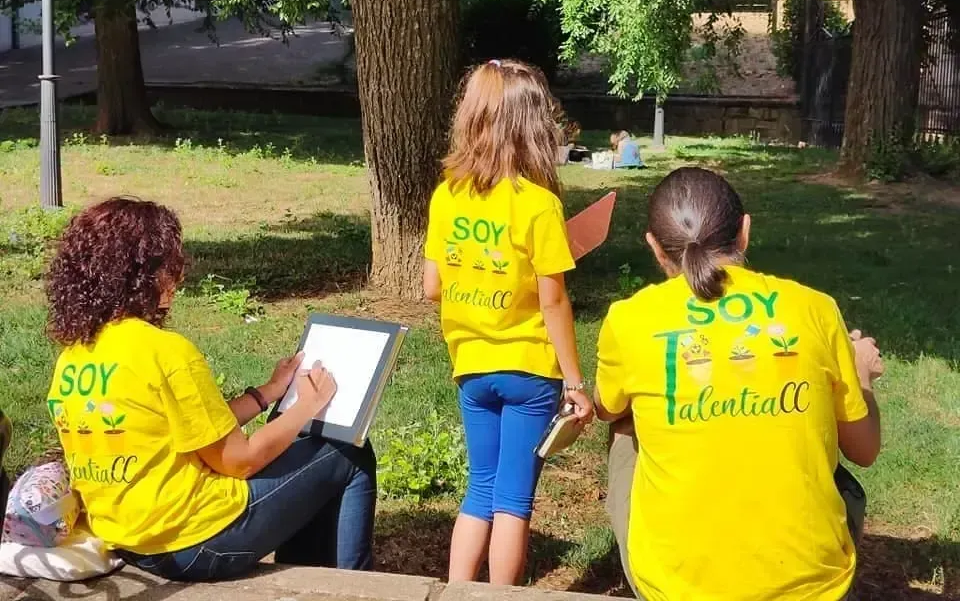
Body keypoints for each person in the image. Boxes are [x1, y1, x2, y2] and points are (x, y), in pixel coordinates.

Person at [44, 198, 376, 582]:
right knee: (348, 451)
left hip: (127, 540)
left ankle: (312, 575)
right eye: (170, 266)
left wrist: (268, 393)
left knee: (302, 457)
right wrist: (308, 405)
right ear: (141, 275)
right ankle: (358, 587)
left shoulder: (73, 356)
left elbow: (188, 428)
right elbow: (239, 461)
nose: (178, 278)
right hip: (197, 544)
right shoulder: (166, 351)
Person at [594, 167, 883, 600]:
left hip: (675, 590)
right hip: (813, 589)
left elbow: (605, 407)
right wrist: (861, 374)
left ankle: (672, 552)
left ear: (655, 247)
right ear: (744, 232)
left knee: (624, 423)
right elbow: (864, 450)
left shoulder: (628, 319)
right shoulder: (816, 310)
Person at [423, 59, 595, 585]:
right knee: (514, 499)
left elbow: (432, 287)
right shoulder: (539, 206)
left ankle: (455, 593)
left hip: (471, 367)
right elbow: (553, 302)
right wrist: (575, 382)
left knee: (480, 488)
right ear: (533, 125)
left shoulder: (446, 195)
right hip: (529, 370)